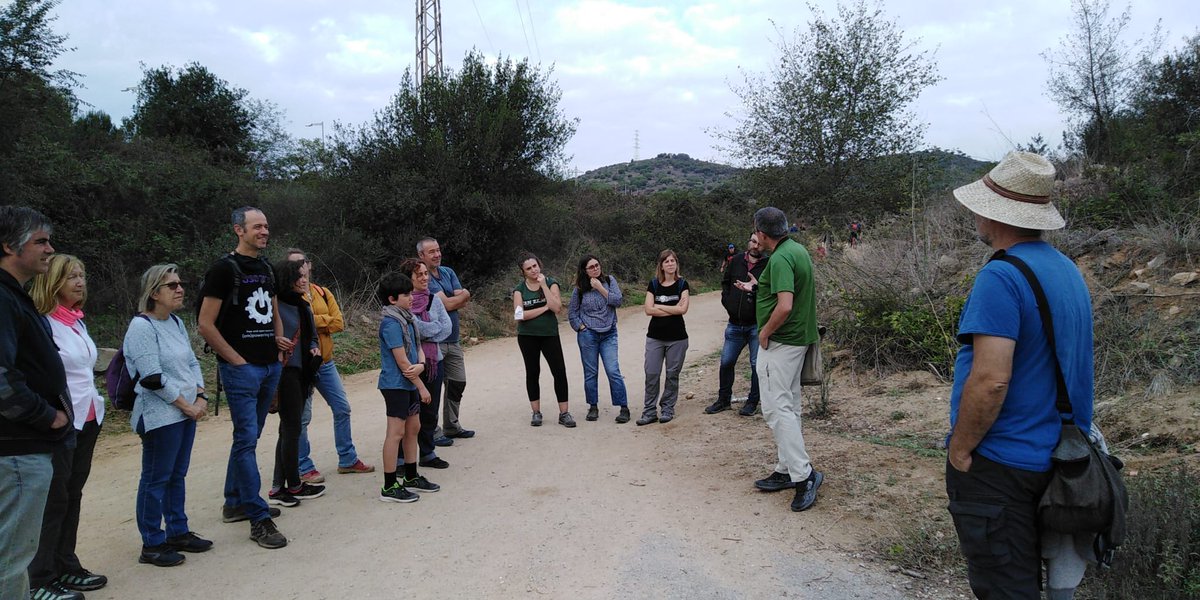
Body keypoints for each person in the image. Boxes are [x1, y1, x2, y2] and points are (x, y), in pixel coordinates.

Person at [944, 151, 1094, 599]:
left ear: (994, 214)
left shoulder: (1001, 276)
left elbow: (991, 379)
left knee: (1006, 588)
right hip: (1063, 457)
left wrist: (960, 449)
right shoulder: (1067, 270)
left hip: (1002, 463)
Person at [196, 206, 287, 550]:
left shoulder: (266, 268)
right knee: (246, 440)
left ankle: (235, 502)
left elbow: (274, 312)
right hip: (241, 370)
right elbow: (205, 323)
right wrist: (235, 360)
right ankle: (258, 518)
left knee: (249, 438)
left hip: (268, 365)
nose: (264, 231)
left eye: (266, 226)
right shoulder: (223, 270)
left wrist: (278, 348)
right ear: (238, 230)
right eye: (257, 226)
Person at [0, 207, 73, 600]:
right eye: (41, 241)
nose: (50, 249)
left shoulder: (14, 295)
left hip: (21, 449)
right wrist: (47, 416)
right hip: (16, 450)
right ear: (8, 245)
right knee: (11, 560)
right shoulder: (3, 297)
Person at [124, 264, 213, 568]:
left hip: (185, 411)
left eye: (180, 283)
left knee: (177, 474)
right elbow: (151, 377)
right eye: (172, 285)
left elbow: (191, 362)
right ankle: (152, 543)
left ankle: (178, 531)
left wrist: (200, 395)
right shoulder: (141, 327)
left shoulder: (174, 322)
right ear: (154, 293)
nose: (180, 289)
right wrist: (186, 405)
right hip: (160, 415)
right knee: (156, 478)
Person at [28, 255, 107, 593]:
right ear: (53, 281)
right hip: (60, 422)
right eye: (71, 276)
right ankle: (41, 578)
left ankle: (66, 564)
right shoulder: (43, 323)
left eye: (82, 275)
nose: (79, 282)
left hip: (88, 417)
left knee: (72, 495)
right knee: (54, 499)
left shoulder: (76, 321)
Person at [750, 206, 823, 512]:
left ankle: (804, 476)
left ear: (762, 233)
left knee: (776, 410)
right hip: (798, 340)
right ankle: (786, 469)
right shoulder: (797, 250)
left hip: (781, 342)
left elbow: (784, 305)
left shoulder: (779, 259)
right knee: (789, 407)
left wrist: (764, 332)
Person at [282, 249, 373, 484]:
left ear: (309, 265)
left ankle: (347, 459)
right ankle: (304, 466)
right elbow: (292, 325)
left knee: (342, 408)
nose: (300, 269)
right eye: (293, 265)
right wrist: (321, 321)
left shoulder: (322, 292)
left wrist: (310, 319)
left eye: (302, 263)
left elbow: (339, 323)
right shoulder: (284, 298)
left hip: (324, 362)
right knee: (302, 418)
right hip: (300, 367)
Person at [376, 272, 441, 503]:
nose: (411, 298)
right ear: (392, 299)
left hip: (409, 382)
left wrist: (422, 364)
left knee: (413, 428)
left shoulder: (408, 319)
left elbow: (418, 347)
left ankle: (411, 476)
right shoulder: (391, 324)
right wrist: (422, 387)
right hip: (396, 385)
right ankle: (389, 485)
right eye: (406, 294)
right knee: (396, 433)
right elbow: (403, 362)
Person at [266, 259, 326, 508]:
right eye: (298, 276)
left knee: (288, 430)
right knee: (291, 429)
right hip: (286, 372)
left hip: (302, 372)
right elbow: (267, 337)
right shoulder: (275, 305)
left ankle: (279, 487)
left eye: (304, 275)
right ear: (287, 279)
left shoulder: (302, 304)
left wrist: (313, 348)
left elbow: (311, 336)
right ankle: (293, 485)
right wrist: (275, 342)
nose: (304, 280)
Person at [417, 238, 474, 444]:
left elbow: (459, 299)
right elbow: (450, 303)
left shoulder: (448, 272)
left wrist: (459, 298)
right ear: (421, 255)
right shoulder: (424, 278)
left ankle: (452, 425)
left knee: (458, 382)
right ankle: (432, 431)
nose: (437, 254)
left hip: (454, 340)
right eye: (431, 252)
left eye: (438, 250)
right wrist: (462, 296)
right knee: (433, 386)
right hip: (435, 342)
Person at [706, 232, 768, 416]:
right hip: (734, 323)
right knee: (726, 362)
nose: (756, 246)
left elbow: (771, 292)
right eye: (753, 241)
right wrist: (727, 302)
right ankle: (723, 400)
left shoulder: (769, 265)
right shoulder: (736, 261)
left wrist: (756, 290)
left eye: (759, 243)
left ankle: (752, 402)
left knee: (756, 365)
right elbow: (726, 282)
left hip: (756, 325)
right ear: (749, 242)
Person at [398, 258, 452, 469]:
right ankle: (401, 457)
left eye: (425, 273)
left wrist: (423, 330)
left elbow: (446, 328)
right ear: (408, 279)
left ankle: (427, 453)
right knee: (408, 412)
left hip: (434, 362)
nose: (424, 278)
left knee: (430, 410)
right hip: (410, 364)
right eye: (418, 274)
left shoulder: (434, 299)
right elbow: (412, 330)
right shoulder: (403, 302)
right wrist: (431, 328)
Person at [566, 255, 631, 424]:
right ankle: (593, 406)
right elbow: (572, 312)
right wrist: (580, 327)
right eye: (591, 267)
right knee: (591, 372)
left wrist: (600, 288)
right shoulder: (579, 289)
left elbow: (618, 301)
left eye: (597, 265)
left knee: (613, 370)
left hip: (609, 332)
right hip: (588, 335)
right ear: (584, 271)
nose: (595, 269)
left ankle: (623, 407)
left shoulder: (609, 281)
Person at [512, 254, 572, 428]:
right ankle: (536, 412)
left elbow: (557, 308)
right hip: (527, 336)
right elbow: (519, 315)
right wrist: (545, 307)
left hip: (549, 334)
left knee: (559, 371)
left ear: (540, 265)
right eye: (528, 268)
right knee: (532, 372)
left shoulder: (551, 283)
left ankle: (564, 413)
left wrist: (544, 285)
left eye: (535, 266)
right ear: (523, 272)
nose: (533, 270)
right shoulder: (519, 289)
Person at [637, 250, 690, 426]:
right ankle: (649, 411)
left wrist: (658, 306)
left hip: (677, 338)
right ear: (661, 265)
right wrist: (673, 308)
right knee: (651, 374)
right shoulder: (654, 284)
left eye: (673, 261)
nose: (670, 264)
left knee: (672, 375)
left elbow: (683, 310)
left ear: (677, 264)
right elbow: (648, 310)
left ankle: (667, 408)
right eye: (666, 261)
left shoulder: (682, 284)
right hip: (655, 337)